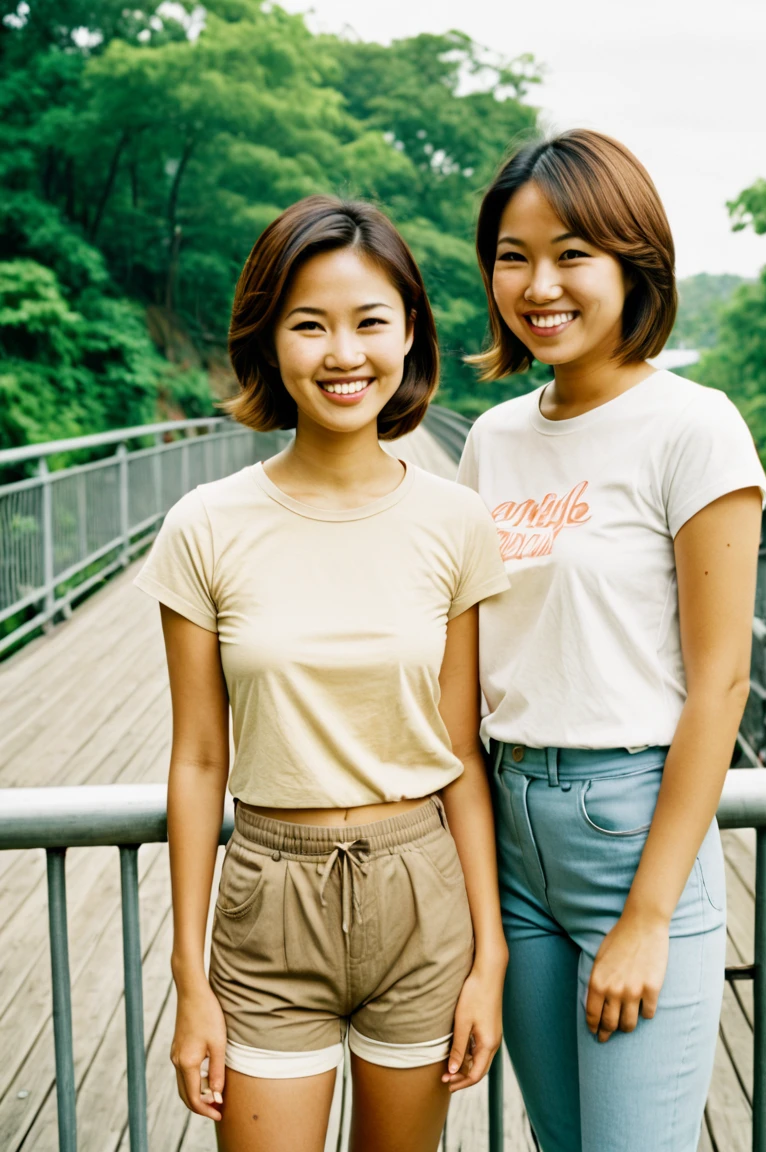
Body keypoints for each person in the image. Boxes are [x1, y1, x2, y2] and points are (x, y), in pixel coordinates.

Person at [135, 195, 510, 1152]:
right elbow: (197, 761)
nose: (344, 353)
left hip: (423, 896)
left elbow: (459, 750)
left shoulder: (456, 520)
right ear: (269, 340)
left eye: (370, 321)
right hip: (268, 902)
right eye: (310, 324)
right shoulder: (205, 525)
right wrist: (190, 981)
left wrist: (489, 958)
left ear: (410, 331)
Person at [457, 131, 766, 1152]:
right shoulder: (493, 437)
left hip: (632, 828)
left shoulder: (693, 426)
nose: (537, 284)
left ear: (633, 263)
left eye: (571, 252)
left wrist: (645, 914)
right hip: (512, 828)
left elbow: (719, 682)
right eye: (512, 255)